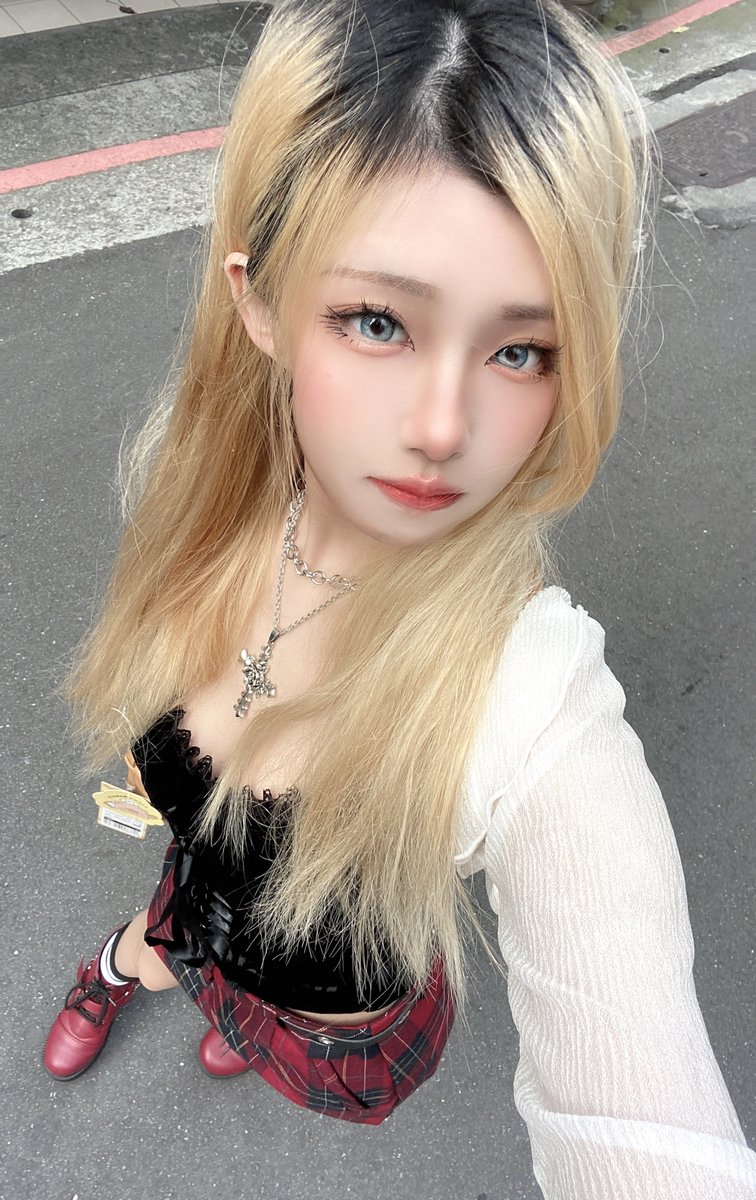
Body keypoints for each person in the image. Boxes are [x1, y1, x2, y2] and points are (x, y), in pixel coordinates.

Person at [43, 0, 755, 1195]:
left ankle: (232, 1009)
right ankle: (124, 969)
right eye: (377, 322)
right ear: (260, 303)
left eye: (521, 350)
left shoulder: (533, 700)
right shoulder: (206, 506)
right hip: (191, 912)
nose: (441, 428)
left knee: (252, 982)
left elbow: (650, 1127)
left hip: (330, 1030)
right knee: (178, 912)